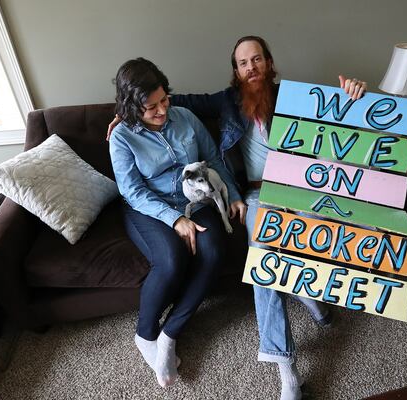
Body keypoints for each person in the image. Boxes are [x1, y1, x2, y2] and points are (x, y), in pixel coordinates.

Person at [107, 38, 367, 400]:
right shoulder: (224, 101)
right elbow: (139, 177)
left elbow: (339, 120)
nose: (251, 68)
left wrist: (354, 97)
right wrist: (126, 115)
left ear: (269, 62)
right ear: (236, 71)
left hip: (301, 188)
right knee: (262, 257)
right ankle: (286, 368)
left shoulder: (299, 97)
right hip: (248, 194)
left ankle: (303, 289)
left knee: (334, 231)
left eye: (257, 59)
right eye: (243, 63)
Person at [108, 58, 247, 389]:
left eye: (164, 100)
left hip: (193, 201)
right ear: (132, 108)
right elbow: (133, 191)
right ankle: (145, 334)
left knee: (214, 252)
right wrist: (175, 220)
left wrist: (233, 195)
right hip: (148, 207)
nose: (161, 111)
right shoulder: (122, 137)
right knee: (171, 259)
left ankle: (169, 334)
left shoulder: (185, 117)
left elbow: (213, 161)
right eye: (151, 107)